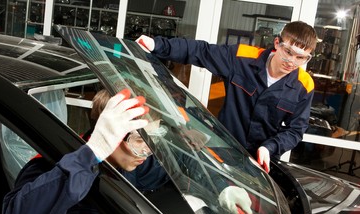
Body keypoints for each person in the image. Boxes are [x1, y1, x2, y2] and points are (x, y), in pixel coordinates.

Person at [2, 88, 252, 214]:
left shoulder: (133, 161)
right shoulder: (50, 166)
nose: (146, 152)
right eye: (138, 140)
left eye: (153, 140)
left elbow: (183, 160)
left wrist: (222, 186)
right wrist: (92, 153)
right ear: (111, 131)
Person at [136, 21, 318, 173]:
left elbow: (295, 130)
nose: (292, 62)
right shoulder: (241, 58)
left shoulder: (304, 85)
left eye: (301, 58)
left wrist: (269, 148)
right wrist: (157, 45)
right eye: (288, 52)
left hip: (259, 163)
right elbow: (201, 51)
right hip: (222, 150)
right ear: (277, 43)